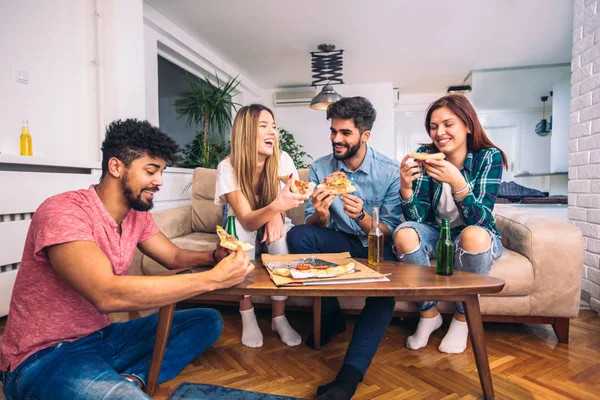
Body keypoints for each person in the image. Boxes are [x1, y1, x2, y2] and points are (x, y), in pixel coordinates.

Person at [0, 119, 253, 400]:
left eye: (161, 172)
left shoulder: (136, 215)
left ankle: (134, 378)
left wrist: (213, 256)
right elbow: (106, 294)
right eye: (151, 171)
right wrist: (212, 279)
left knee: (207, 321)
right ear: (116, 167)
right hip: (44, 357)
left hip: (104, 337)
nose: (159, 181)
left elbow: (173, 256)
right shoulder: (64, 212)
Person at [286, 97, 402, 400]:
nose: (337, 139)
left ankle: (348, 378)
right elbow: (313, 226)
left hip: (375, 246)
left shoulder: (390, 172)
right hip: (339, 242)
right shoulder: (320, 167)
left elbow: (388, 233)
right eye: (333, 131)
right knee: (298, 236)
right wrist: (321, 214)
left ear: (365, 136)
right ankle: (331, 313)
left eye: (345, 133)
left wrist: (363, 217)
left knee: (385, 291)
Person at [394, 94, 507, 354]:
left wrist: (457, 182)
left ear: (468, 125)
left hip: (474, 233)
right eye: (433, 127)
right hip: (437, 232)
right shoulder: (424, 156)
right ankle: (428, 315)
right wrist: (406, 187)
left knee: (474, 236)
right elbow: (418, 220)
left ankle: (462, 318)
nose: (439, 133)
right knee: (404, 234)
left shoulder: (488, 157)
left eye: (448, 124)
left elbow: (481, 219)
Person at [215, 104, 304, 348]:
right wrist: (274, 209)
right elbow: (245, 218)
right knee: (240, 237)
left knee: (281, 240)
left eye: (274, 127)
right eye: (264, 126)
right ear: (245, 132)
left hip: (269, 215)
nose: (272, 132)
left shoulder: (282, 159)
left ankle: (279, 316)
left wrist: (278, 212)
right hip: (241, 219)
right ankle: (247, 313)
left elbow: (287, 200)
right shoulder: (227, 167)